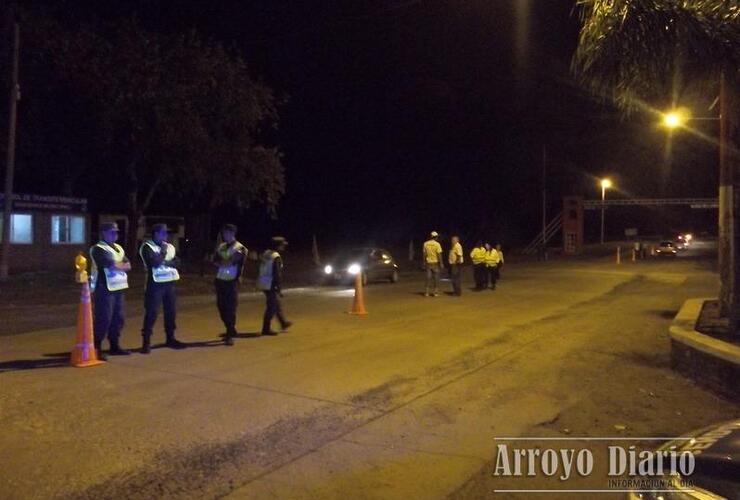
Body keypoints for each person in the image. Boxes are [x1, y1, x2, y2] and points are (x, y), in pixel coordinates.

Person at [138, 223, 185, 354]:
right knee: (152, 313)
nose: (166, 235)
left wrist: (166, 261)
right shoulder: (147, 247)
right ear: (156, 233)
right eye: (163, 232)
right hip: (155, 284)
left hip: (169, 283)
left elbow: (178, 262)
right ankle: (146, 342)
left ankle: (170, 338)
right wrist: (163, 254)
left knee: (171, 312)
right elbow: (154, 263)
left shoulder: (170, 246)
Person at [90, 222, 132, 360]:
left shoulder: (119, 248)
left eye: (116, 232)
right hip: (103, 288)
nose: (115, 234)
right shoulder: (98, 249)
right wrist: (120, 265)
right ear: (103, 233)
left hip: (118, 288)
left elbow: (128, 265)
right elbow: (113, 265)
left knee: (118, 318)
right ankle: (96, 348)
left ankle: (114, 346)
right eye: (111, 232)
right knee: (103, 319)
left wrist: (119, 265)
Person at [213, 224, 247, 346]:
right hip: (220, 280)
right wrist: (223, 262)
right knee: (221, 307)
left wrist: (223, 262)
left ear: (232, 233)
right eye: (223, 233)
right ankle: (231, 329)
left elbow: (230, 261)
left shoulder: (240, 248)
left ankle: (229, 334)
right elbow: (214, 261)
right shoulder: (221, 246)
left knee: (230, 308)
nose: (224, 235)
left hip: (232, 282)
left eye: (226, 233)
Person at [258, 236, 293, 335]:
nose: (283, 247)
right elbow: (276, 273)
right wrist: (278, 287)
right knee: (271, 306)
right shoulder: (275, 256)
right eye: (282, 245)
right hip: (271, 283)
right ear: (278, 246)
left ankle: (283, 322)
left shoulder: (266, 253)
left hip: (264, 281)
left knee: (275, 303)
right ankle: (266, 328)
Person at [422, 231, 444, 297]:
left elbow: (424, 254)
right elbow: (439, 254)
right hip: (435, 263)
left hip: (428, 263)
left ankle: (426, 292)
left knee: (428, 278)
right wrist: (441, 263)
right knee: (436, 278)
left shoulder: (425, 244)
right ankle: (435, 292)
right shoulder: (437, 244)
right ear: (436, 237)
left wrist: (423, 262)